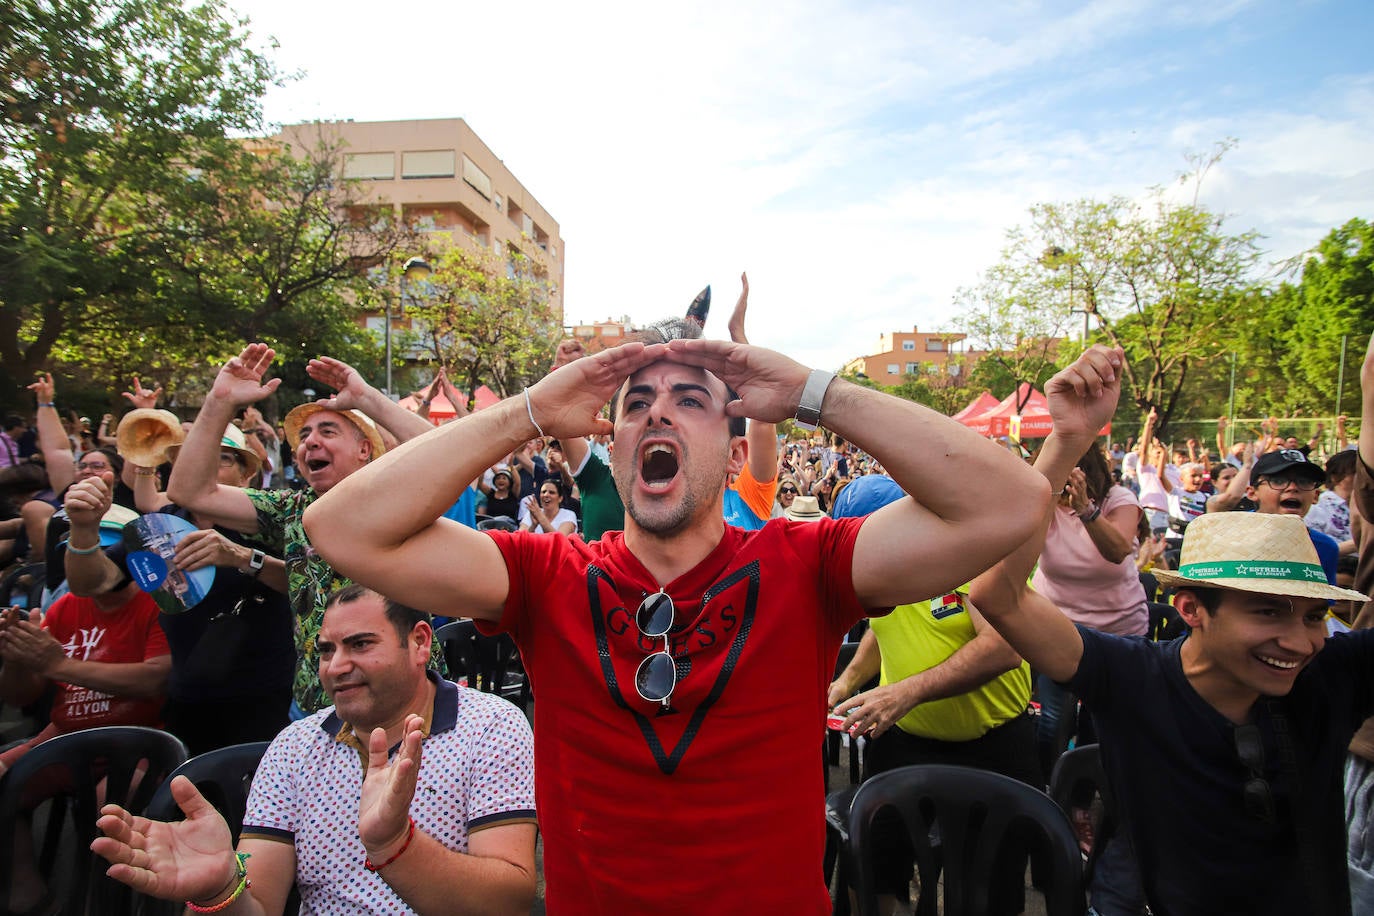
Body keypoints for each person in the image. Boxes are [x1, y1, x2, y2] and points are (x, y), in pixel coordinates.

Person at [301, 334, 1052, 912]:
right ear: (617, 450)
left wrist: (810, 392)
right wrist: (527, 412)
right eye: (636, 405)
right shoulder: (544, 575)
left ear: (733, 459)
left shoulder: (810, 565)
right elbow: (342, 529)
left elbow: (1011, 503)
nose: (657, 410)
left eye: (691, 400)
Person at [970, 344, 1374, 915]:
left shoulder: (1333, 676)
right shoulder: (1132, 677)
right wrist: (1066, 441)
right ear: (1190, 610)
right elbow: (998, 596)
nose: (1301, 641)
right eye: (1268, 611)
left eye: (1313, 616)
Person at [93, 584, 537, 915]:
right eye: (326, 650)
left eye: (360, 644)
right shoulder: (295, 747)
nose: (337, 667)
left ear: (420, 643)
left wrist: (396, 847)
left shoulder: (489, 727)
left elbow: (509, 901)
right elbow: (259, 905)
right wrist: (220, 888)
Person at [166, 344, 441, 716]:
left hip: (402, 703)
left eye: (327, 430)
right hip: (317, 707)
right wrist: (219, 402)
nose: (310, 441)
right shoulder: (291, 509)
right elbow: (189, 491)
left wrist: (366, 398)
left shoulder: (396, 500)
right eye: (305, 436)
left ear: (364, 449)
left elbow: (448, 452)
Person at [826, 473, 1034, 915]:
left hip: (994, 747)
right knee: (873, 867)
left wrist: (907, 692)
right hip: (905, 744)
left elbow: (1004, 648)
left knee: (991, 889)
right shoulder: (874, 569)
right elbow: (885, 629)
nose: (861, 558)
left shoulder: (969, 552)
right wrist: (845, 682)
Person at [65, 419, 294, 756]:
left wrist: (243, 557)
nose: (205, 465)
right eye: (193, 456)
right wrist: (83, 530)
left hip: (266, 698)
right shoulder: (158, 526)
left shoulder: (270, 521)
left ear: (246, 475)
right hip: (187, 695)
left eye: (224, 458)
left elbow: (307, 583)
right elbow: (93, 583)